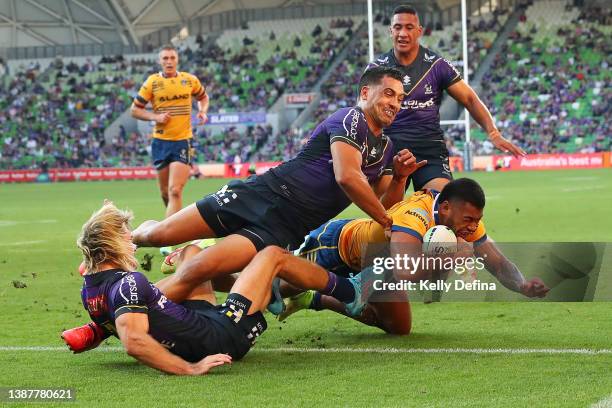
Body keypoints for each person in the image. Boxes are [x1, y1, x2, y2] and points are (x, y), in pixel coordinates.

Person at [131, 67, 426, 305]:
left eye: (400, 98)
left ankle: (143, 296)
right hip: (260, 194)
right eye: (389, 94)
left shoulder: (387, 149)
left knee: (208, 268)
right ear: (365, 92)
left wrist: (399, 179)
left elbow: (380, 203)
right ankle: (123, 236)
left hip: (283, 226)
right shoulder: (350, 118)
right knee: (159, 234)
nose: (394, 103)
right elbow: (347, 177)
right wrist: (387, 221)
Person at [62, 202, 374, 374]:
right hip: (223, 334)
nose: (132, 244)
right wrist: (190, 368)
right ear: (111, 243)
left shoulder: (90, 291)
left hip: (197, 322)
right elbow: (134, 342)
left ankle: (270, 292)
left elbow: (129, 321)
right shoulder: (129, 283)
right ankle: (349, 293)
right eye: (126, 237)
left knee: (193, 254)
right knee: (273, 256)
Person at [278, 178, 549, 334]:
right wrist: (453, 254)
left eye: (477, 220)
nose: (472, 226)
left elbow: (498, 263)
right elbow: (405, 270)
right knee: (271, 292)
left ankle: (314, 299)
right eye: (468, 218)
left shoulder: (468, 224)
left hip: (377, 268)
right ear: (444, 208)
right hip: (336, 249)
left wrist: (522, 285)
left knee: (398, 328)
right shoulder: (414, 214)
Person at [366, 5, 525, 192]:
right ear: (390, 30)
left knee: (440, 207)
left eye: (409, 27)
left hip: (429, 148)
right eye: (398, 27)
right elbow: (363, 113)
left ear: (419, 31)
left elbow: (470, 99)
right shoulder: (376, 69)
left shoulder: (437, 65)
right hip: (389, 148)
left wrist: (493, 133)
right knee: (386, 213)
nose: (402, 33)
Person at [131, 45, 209, 255]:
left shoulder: (189, 80)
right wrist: (155, 117)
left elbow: (203, 97)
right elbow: (135, 109)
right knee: (165, 193)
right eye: (165, 58)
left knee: (175, 190)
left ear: (177, 60)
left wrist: (202, 112)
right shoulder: (152, 83)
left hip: (182, 141)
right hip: (160, 143)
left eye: (172, 57)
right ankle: (183, 228)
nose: (168, 61)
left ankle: (167, 238)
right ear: (160, 61)